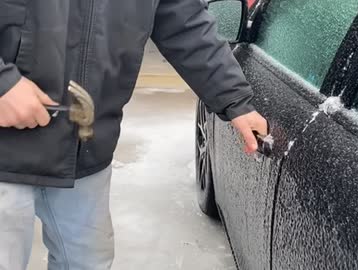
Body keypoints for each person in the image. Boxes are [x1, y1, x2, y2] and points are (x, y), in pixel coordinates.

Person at [0, 0, 268, 269]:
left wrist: (233, 97)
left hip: (85, 148)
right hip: (5, 147)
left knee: (88, 262)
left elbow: (183, 20)